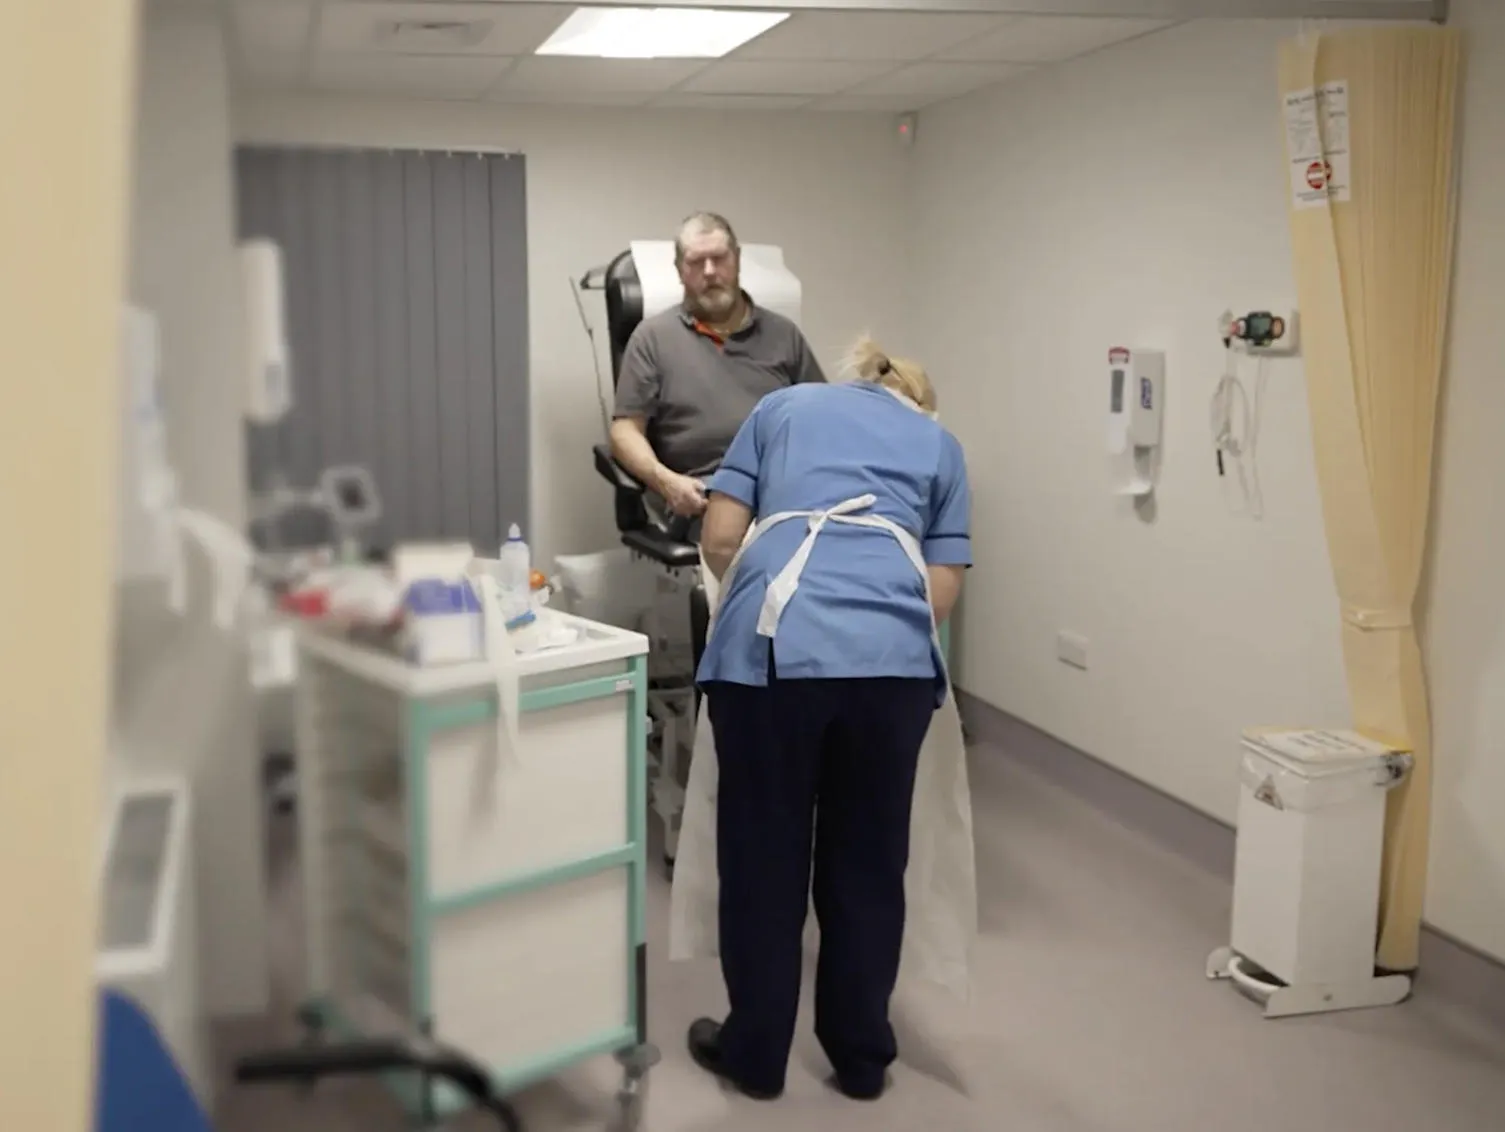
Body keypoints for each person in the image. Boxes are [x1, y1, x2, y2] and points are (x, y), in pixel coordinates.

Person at [678, 336, 973, 1103]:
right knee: (868, 867)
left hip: (773, 656)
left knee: (763, 861)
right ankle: (861, 1058)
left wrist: (760, 593)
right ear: (915, 399)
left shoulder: (780, 408)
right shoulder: (940, 445)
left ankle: (755, 1055)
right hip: (891, 670)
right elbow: (940, 590)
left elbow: (719, 536)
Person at [608, 212, 826, 535]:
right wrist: (666, 482)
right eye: (696, 262)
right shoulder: (652, 338)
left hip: (787, 491)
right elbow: (624, 431)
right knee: (769, 544)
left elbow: (823, 418)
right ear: (679, 270)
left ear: (737, 260)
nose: (709, 271)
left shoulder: (784, 335)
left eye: (719, 258)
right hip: (705, 496)